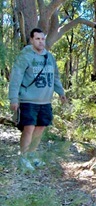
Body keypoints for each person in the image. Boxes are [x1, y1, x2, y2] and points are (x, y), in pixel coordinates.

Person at [8, 28, 67, 171]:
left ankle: (31, 155)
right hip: (28, 100)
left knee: (40, 128)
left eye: (42, 39)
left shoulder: (50, 57)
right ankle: (23, 158)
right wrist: (13, 98)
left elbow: (55, 77)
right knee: (29, 128)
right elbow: (16, 78)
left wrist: (61, 92)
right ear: (32, 40)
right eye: (38, 39)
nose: (41, 42)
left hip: (45, 101)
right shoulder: (25, 56)